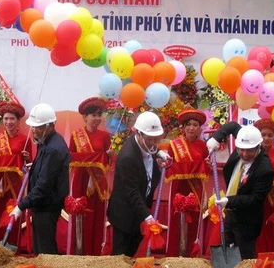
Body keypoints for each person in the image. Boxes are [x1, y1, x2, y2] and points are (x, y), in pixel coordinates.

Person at [9, 103, 70, 254]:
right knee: (40, 246)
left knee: (45, 249)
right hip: (42, 203)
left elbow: (44, 184)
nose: (34, 130)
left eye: (38, 127)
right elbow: (45, 168)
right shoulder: (46, 140)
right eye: (33, 126)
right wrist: (34, 167)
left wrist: (21, 206)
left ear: (49, 125)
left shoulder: (53, 148)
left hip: (47, 203)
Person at [208, 123, 274, 259]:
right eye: (241, 150)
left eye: (249, 151)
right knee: (227, 254)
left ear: (258, 147)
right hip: (229, 214)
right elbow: (232, 126)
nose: (244, 154)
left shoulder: (265, 169)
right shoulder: (245, 137)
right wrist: (216, 138)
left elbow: (255, 199)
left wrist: (228, 200)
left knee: (245, 258)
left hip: (247, 220)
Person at [107, 111, 165, 257]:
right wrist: (148, 217)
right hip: (125, 215)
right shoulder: (128, 157)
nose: (153, 143)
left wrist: (158, 153)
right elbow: (132, 192)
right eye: (150, 139)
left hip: (139, 212)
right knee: (121, 257)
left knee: (134, 256)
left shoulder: (146, 145)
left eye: (156, 139)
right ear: (138, 134)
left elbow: (151, 147)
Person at [0, 101, 32, 249]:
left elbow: (29, 165)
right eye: (6, 119)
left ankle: (11, 246)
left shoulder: (25, 140)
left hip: (15, 184)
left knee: (13, 212)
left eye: (12, 119)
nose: (8, 122)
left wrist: (26, 158)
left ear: (18, 121)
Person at [68, 97, 111, 255]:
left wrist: (108, 156)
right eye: (93, 115)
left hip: (98, 184)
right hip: (81, 181)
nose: (97, 118)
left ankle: (95, 253)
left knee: (97, 217)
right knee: (80, 215)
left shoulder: (105, 136)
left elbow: (108, 162)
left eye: (99, 115)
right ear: (85, 117)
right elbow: (70, 159)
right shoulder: (75, 135)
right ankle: (78, 251)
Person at [165, 109, 209, 257]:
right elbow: (169, 167)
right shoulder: (174, 145)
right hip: (178, 188)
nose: (191, 128)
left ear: (200, 128)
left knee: (194, 221)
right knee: (177, 220)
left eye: (195, 125)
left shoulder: (203, 146)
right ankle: (173, 254)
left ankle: (192, 255)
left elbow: (206, 167)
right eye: (188, 124)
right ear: (183, 128)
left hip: (195, 190)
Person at [253, 119, 274, 258]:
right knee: (257, 227)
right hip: (256, 198)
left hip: (273, 200)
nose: (266, 138)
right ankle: (255, 258)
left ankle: (272, 258)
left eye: (270, 135)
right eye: (263, 135)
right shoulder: (252, 152)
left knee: (272, 228)